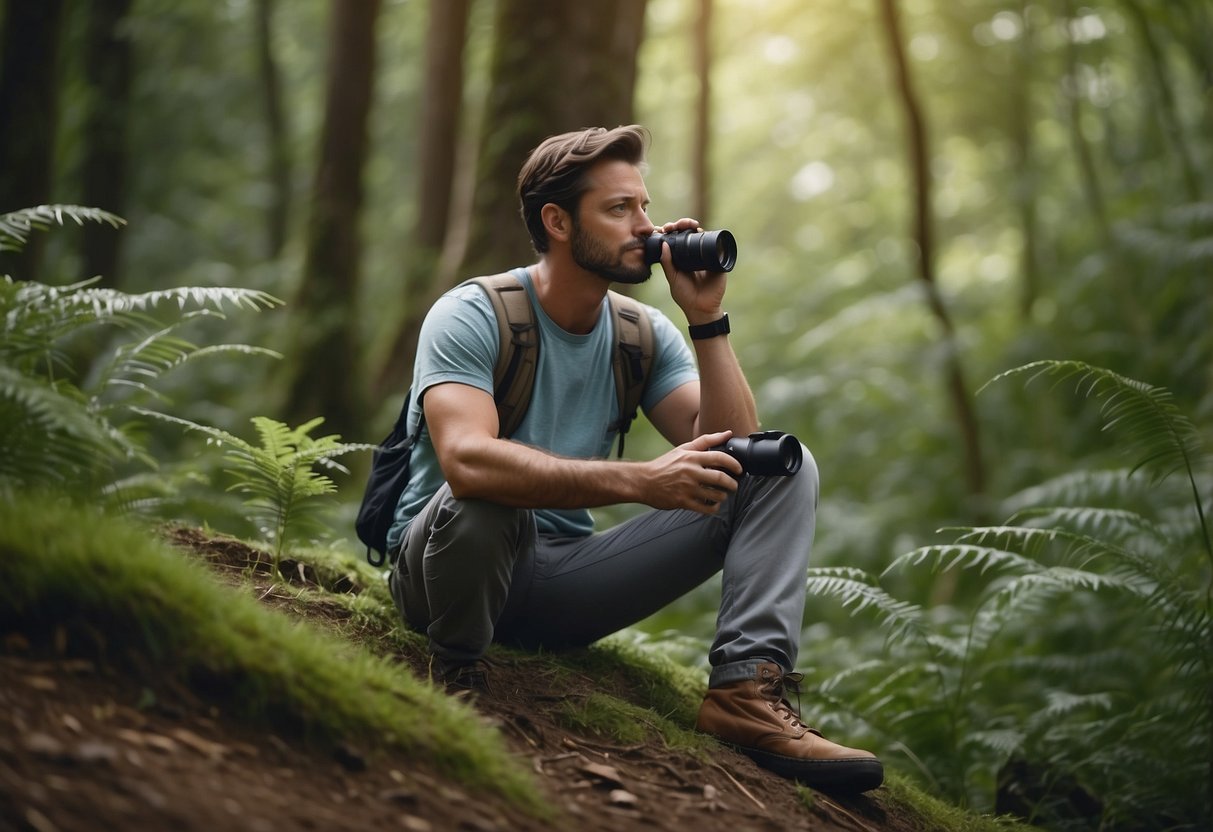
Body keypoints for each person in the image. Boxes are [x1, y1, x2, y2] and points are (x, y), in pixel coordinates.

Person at [385, 124, 882, 793]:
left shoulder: (640, 333)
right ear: (557, 222)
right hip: (450, 576)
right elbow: (466, 463)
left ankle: (744, 695)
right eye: (620, 210)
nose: (646, 228)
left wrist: (705, 318)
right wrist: (639, 482)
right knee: (485, 499)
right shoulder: (473, 314)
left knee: (777, 467)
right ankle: (455, 671)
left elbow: (731, 453)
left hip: (563, 586)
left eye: (644, 206)